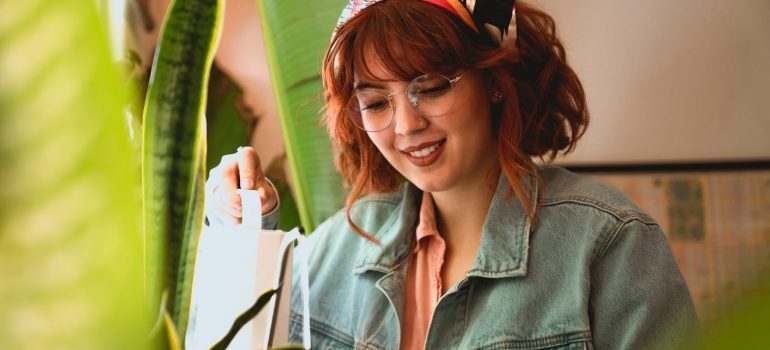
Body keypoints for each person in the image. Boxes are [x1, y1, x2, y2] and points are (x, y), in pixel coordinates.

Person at [205, 0, 701, 348]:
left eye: (433, 87)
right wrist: (244, 226)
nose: (406, 124)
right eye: (376, 103)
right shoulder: (336, 250)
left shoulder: (609, 245)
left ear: (494, 82)